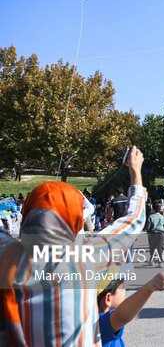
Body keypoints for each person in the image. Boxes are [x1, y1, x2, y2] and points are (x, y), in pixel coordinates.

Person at [0, 146, 147, 346]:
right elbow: (134, 220)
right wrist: (135, 171)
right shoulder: (88, 254)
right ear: (73, 219)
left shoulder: (7, 252)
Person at [98, 270, 164, 347]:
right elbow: (120, 317)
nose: (125, 291)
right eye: (122, 288)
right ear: (108, 298)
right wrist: (149, 288)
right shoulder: (98, 324)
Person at [144, 203, 164, 267]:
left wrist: (148, 232)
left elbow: (148, 227)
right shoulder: (162, 217)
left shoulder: (151, 217)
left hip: (152, 234)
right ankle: (160, 262)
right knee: (160, 248)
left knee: (152, 248)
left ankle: (152, 261)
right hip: (161, 234)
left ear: (153, 209)